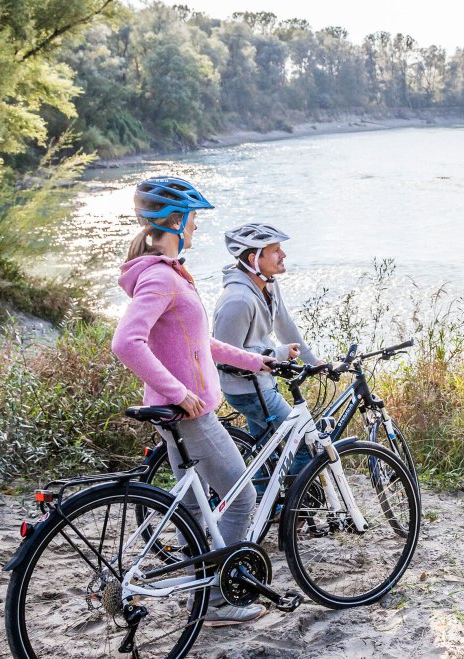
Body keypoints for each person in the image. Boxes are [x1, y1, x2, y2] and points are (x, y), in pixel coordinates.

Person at [111, 176, 272, 627]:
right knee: (240, 499)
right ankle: (219, 602)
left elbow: (202, 343)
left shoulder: (168, 273)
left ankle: (198, 594)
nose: (197, 229)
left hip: (180, 413)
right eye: (194, 221)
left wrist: (259, 362)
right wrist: (180, 393)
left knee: (194, 508)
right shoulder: (161, 276)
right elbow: (126, 343)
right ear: (177, 223)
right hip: (189, 415)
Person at [213, 222, 319, 481]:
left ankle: (263, 506)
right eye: (275, 250)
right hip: (247, 391)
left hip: (262, 385)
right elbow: (227, 358)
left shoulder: (268, 286)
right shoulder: (238, 301)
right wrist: (279, 353)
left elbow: (285, 324)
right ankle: (289, 511)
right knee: (305, 441)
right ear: (254, 258)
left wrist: (313, 362)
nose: (283, 255)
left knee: (265, 454)